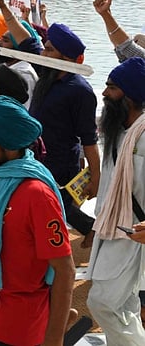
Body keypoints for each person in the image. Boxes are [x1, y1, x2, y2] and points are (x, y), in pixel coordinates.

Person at [0, 95, 74, 346]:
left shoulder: (36, 195)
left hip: (20, 327)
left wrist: (54, 338)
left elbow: (65, 270)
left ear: (8, 145)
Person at [86, 57, 145, 344]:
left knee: (103, 303)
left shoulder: (143, 137)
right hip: (112, 227)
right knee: (123, 303)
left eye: (112, 87)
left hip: (133, 233)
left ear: (132, 94)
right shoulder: (116, 130)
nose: (104, 92)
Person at [30, 22, 100, 247]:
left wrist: (96, 178)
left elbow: (89, 140)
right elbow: (23, 40)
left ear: (67, 57)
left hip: (61, 163)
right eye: (45, 48)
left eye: (49, 50)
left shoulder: (80, 90)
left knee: (54, 208)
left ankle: (88, 229)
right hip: (37, 157)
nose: (43, 53)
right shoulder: (46, 75)